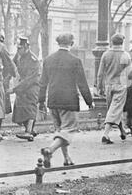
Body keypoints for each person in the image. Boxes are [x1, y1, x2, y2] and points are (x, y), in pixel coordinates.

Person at [39, 34, 94, 168]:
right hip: (69, 101)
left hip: (52, 100)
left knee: (60, 131)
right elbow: (82, 83)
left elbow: (42, 83)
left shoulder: (48, 60)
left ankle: (67, 158)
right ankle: (49, 150)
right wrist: (89, 101)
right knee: (69, 130)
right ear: (72, 43)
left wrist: (41, 101)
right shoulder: (75, 60)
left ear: (58, 43)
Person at [97, 33, 132, 144]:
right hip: (120, 86)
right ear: (122, 42)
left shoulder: (105, 54)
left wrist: (99, 86)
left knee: (114, 109)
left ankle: (122, 131)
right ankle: (105, 134)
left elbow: (100, 74)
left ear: (112, 42)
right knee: (114, 110)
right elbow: (130, 73)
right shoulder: (125, 55)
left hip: (108, 86)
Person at [8, 37, 41, 141]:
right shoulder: (19, 56)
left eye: (20, 48)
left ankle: (28, 132)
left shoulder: (33, 59)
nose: (18, 51)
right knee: (21, 109)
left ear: (26, 47)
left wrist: (14, 89)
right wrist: (8, 77)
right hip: (23, 85)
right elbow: (11, 66)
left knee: (30, 108)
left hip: (31, 86)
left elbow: (30, 79)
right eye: (17, 48)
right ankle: (30, 130)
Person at [0, 33, 16, 134]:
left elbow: (9, 66)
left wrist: (8, 78)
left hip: (3, 82)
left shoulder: (3, 51)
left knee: (1, 108)